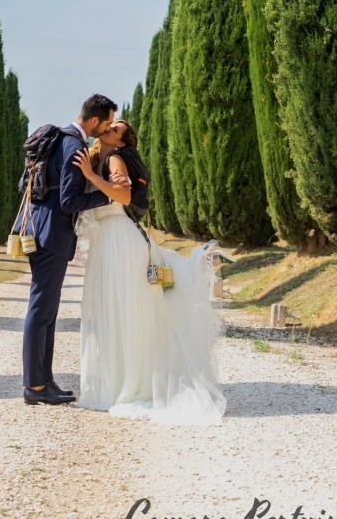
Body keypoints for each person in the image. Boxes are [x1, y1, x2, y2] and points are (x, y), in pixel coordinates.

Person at [72, 119, 226, 425]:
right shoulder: (96, 155)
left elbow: (124, 197)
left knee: (125, 308)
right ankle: (111, 382)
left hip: (119, 237)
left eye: (117, 129)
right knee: (108, 309)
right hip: (106, 238)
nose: (110, 129)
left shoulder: (114, 158)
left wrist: (90, 175)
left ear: (121, 141)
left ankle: (130, 385)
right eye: (110, 125)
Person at [21, 93, 123, 405]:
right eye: (105, 123)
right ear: (94, 120)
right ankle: (34, 386)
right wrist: (109, 197)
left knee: (47, 309)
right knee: (41, 308)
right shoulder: (74, 145)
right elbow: (69, 201)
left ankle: (44, 380)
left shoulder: (60, 138)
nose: (106, 129)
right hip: (52, 234)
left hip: (41, 229)